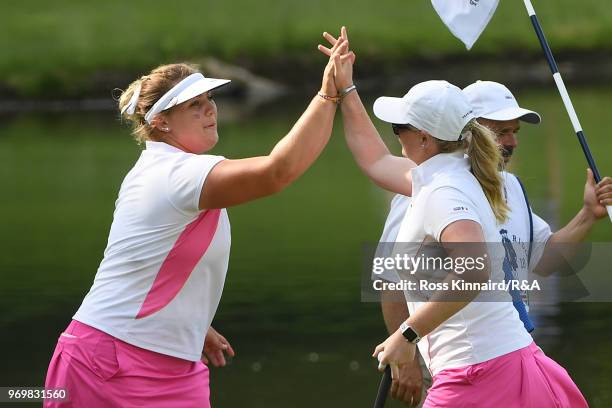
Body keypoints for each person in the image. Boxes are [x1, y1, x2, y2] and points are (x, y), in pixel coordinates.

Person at [44, 33, 354, 407]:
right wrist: (328, 95)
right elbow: (277, 172)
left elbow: (149, 263)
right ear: (160, 122)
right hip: (107, 362)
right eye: (194, 106)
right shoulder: (176, 174)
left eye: (209, 101)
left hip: (172, 362)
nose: (210, 110)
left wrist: (188, 320)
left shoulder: (170, 169)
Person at [320, 30, 589, 407]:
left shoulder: (444, 190)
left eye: (400, 127)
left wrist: (406, 335)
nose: (394, 134)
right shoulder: (447, 174)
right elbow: (373, 157)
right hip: (489, 365)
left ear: (426, 138)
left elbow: (474, 270)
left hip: (481, 373)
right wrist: (345, 90)